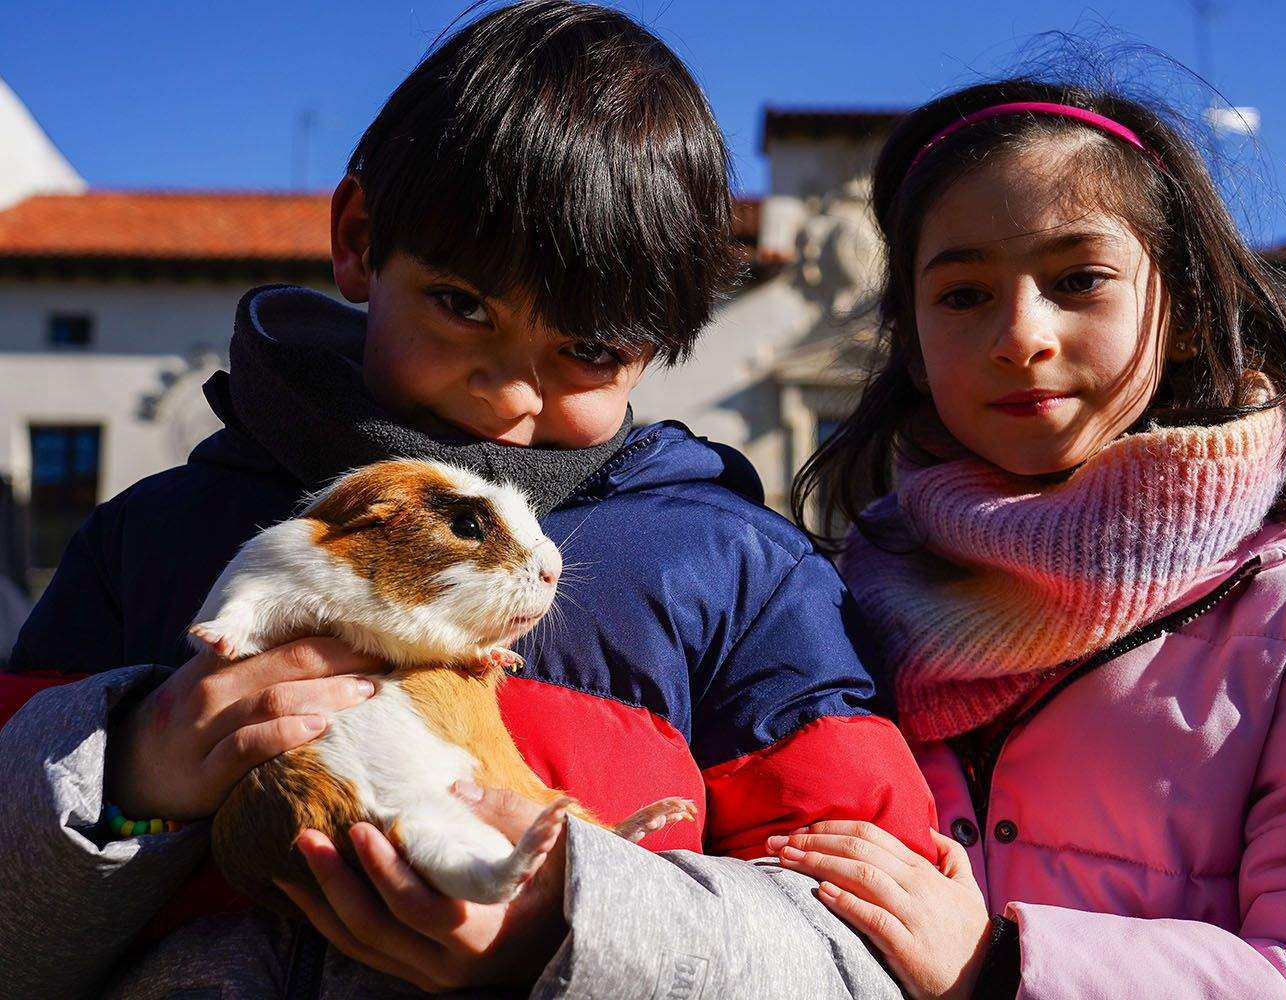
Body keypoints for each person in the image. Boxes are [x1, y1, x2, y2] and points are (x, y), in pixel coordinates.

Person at [0, 4, 936, 997]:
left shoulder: (744, 576)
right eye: (462, 305)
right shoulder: (146, 539)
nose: (508, 392)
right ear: (359, 240)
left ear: (657, 345)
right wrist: (123, 780)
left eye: (589, 349)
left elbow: (869, 953)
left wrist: (574, 929)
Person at [779, 77, 1286, 998]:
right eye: (962, 294)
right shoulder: (830, 603)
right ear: (912, 348)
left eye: (1078, 279)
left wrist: (1002, 966)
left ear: (1187, 312)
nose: (1019, 335)